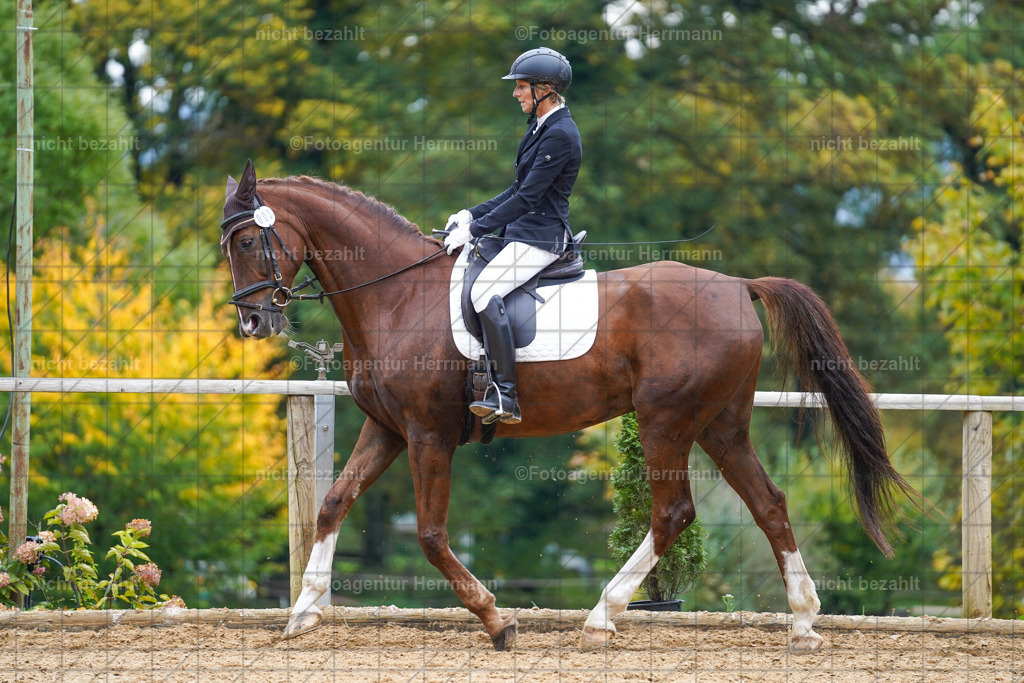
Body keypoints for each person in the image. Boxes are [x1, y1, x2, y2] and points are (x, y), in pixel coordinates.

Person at [444, 47, 582, 425]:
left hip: (541, 238)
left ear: (546, 89)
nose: (516, 93)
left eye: (522, 87)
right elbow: (515, 189)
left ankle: (505, 394)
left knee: (483, 292)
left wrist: (477, 229)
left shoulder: (560, 134)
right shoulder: (540, 128)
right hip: (521, 234)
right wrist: (469, 214)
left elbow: (528, 198)